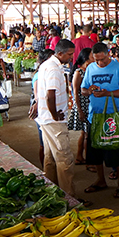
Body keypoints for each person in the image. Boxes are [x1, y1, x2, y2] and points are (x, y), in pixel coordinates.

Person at [36, 40, 84, 199]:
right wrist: (55, 115)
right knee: (65, 160)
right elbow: (50, 95)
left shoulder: (45, 64)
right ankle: (69, 198)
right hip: (53, 121)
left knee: (50, 159)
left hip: (45, 119)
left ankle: (52, 193)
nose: (72, 57)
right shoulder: (54, 69)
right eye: (70, 54)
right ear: (60, 53)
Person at [82, 42, 119, 198]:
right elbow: (83, 89)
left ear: (108, 54)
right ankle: (100, 180)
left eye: (102, 59)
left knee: (116, 150)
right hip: (94, 116)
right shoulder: (90, 68)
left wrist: (107, 93)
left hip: (112, 115)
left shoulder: (118, 68)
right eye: (96, 60)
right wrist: (88, 90)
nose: (99, 63)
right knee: (95, 151)